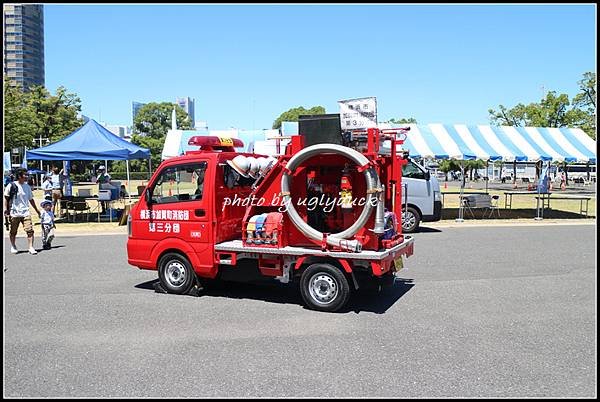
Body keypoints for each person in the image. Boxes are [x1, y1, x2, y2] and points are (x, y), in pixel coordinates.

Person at [4, 168, 42, 255]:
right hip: (14, 212)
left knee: (30, 230)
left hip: (25, 212)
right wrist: (5, 209)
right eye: (25, 175)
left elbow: (31, 200)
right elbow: (6, 198)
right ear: (19, 176)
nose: (27, 176)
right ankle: (13, 246)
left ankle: (31, 247)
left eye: (27, 175)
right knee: (13, 231)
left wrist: (37, 210)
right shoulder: (11, 185)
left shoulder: (27, 187)